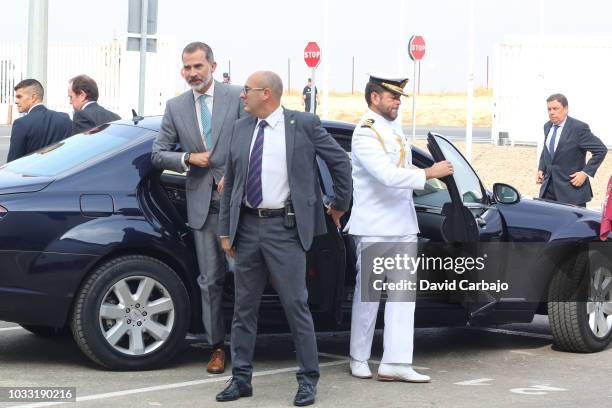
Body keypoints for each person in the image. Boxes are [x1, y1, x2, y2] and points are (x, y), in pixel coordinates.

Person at [216, 71, 351, 406]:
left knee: (296, 306)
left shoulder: (303, 124)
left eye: (247, 90)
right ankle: (241, 379)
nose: (242, 95)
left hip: (285, 230)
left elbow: (339, 163)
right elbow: (231, 184)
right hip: (247, 228)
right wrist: (224, 230)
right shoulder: (241, 127)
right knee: (243, 309)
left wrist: (338, 205)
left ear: (266, 94)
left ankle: (308, 380)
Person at [345, 74, 453, 383]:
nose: (398, 102)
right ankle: (359, 357)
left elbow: (401, 171)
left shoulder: (394, 130)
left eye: (399, 98)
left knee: (403, 298)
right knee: (368, 297)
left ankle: (396, 362)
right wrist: (429, 173)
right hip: (376, 226)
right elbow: (386, 175)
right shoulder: (365, 133)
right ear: (375, 98)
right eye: (393, 97)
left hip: (403, 223)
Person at [151, 42, 244, 374]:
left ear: (212, 66)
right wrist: (188, 158)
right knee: (211, 279)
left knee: (245, 275)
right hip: (203, 205)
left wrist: (233, 175)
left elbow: (254, 141)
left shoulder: (237, 96)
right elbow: (158, 153)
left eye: (198, 67)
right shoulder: (175, 107)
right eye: (187, 68)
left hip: (240, 205)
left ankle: (246, 344)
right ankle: (217, 346)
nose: (192, 73)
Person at [536, 93, 607, 207]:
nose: (552, 112)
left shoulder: (578, 128)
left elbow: (601, 150)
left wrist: (585, 173)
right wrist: (541, 168)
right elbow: (547, 150)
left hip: (571, 191)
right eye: (549, 109)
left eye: (555, 108)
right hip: (548, 189)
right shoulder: (547, 126)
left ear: (566, 109)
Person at [7, 79, 71, 162]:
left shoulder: (21, 123)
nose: (16, 101)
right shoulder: (64, 118)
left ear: (33, 97)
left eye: (19, 97)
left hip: (31, 173)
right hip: (59, 172)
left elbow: (13, 161)